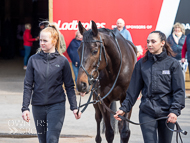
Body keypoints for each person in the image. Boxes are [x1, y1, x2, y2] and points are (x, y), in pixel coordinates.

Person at [114, 31, 185, 143]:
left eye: (153, 41)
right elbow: (133, 91)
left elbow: (179, 91)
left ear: (162, 43)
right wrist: (124, 108)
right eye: (148, 42)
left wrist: (174, 111)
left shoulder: (173, 64)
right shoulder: (141, 64)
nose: (149, 44)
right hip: (147, 111)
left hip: (167, 113)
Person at [21, 22, 81, 143]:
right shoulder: (33, 60)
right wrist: (25, 108)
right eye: (40, 40)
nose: (41, 43)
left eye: (45, 41)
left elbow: (69, 86)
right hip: (38, 107)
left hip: (56, 106)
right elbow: (28, 85)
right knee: (43, 140)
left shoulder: (63, 61)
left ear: (53, 41)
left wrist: (74, 107)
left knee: (52, 140)